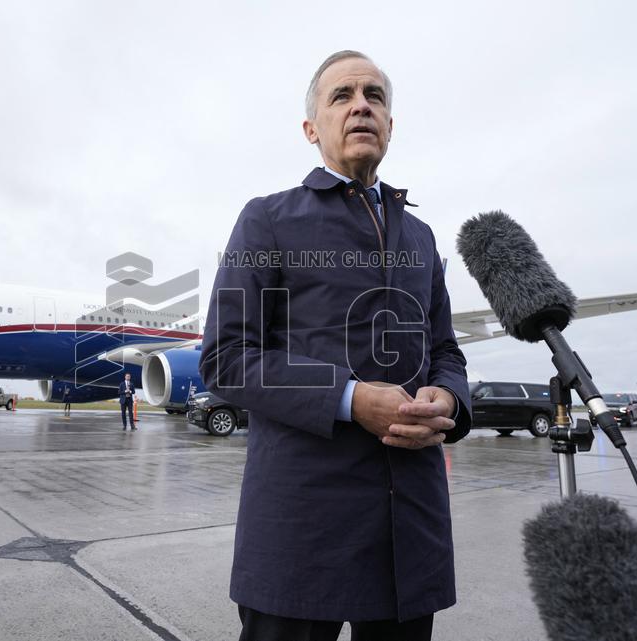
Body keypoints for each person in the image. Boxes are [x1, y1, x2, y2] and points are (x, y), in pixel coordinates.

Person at [199, 51, 472, 641]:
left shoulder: (422, 238)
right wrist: (349, 399)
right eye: (342, 96)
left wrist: (448, 400)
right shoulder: (267, 219)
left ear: (391, 125)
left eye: (374, 96)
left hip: (409, 525)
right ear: (311, 128)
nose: (361, 106)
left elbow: (446, 350)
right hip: (302, 527)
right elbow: (226, 356)